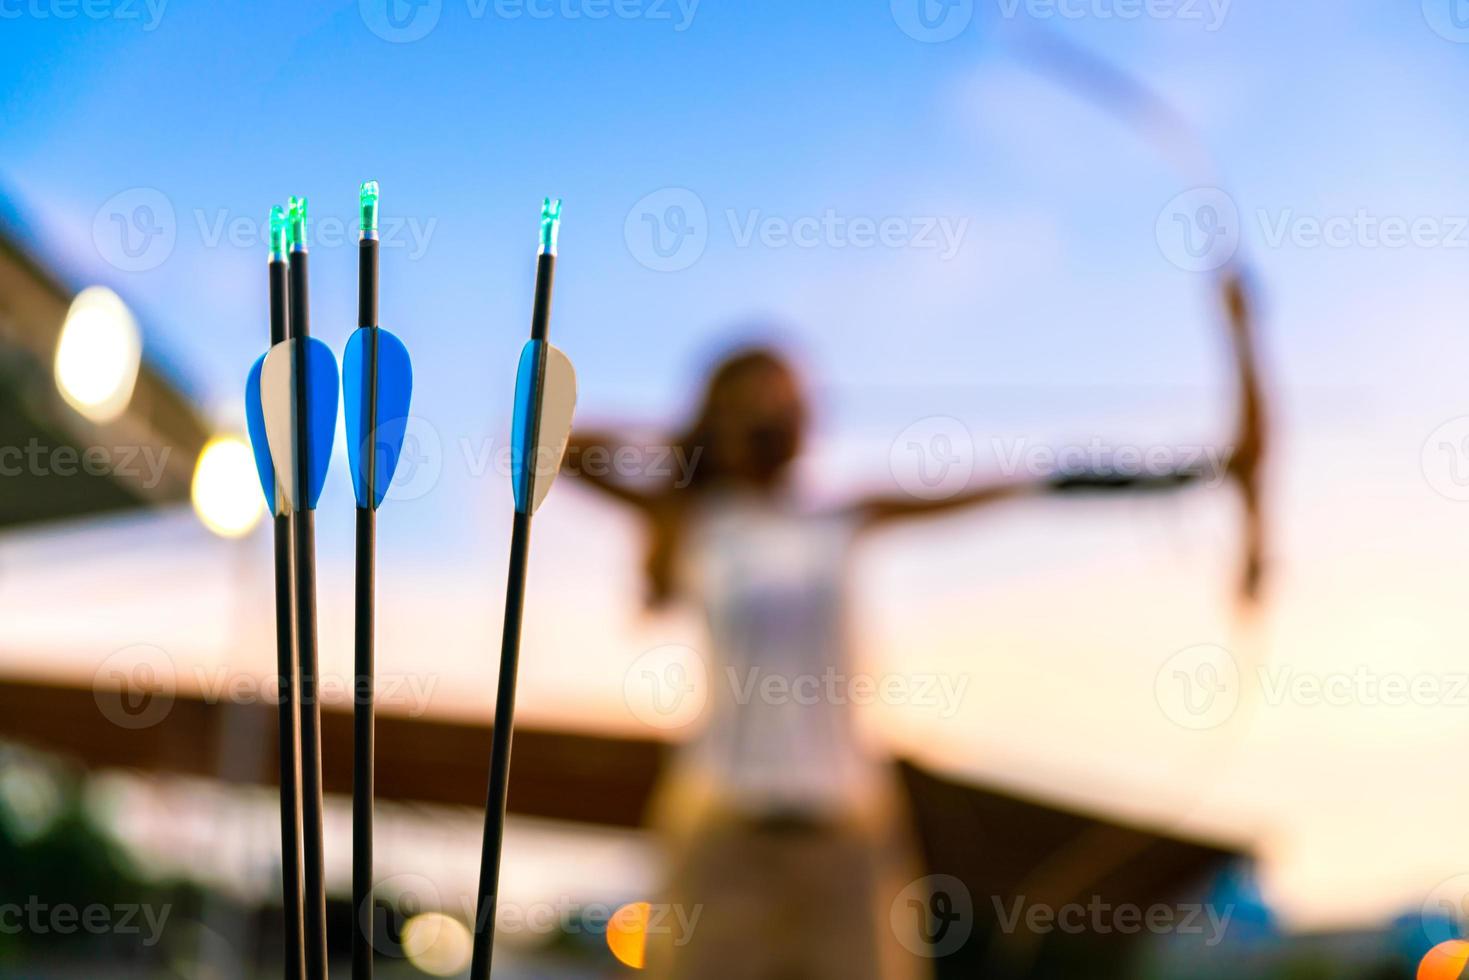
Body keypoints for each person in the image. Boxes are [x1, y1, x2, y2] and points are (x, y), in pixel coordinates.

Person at [565, 269, 1266, 979]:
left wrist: (1195, 470)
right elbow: (557, 447)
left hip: (847, 830)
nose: (779, 415)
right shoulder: (691, 522)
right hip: (721, 831)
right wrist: (691, 433)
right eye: (758, 400)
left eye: (789, 399)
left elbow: (1021, 482)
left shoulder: (839, 517)